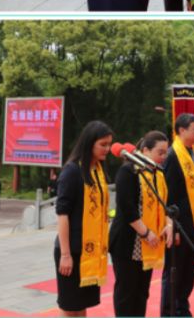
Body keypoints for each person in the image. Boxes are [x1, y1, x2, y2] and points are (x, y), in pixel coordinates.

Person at [110, 131, 174, 317]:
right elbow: (127, 207)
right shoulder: (128, 171)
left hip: (150, 243)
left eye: (165, 153)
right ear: (145, 150)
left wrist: (168, 225)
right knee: (127, 292)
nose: (163, 157)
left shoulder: (156, 173)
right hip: (129, 242)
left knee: (141, 292)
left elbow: (166, 204)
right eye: (159, 152)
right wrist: (146, 233)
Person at [54, 121, 113, 317]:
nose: (107, 149)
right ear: (89, 144)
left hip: (90, 251)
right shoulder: (72, 171)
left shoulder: (97, 170)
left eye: (109, 144)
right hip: (72, 251)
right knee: (70, 306)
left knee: (81, 305)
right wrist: (65, 254)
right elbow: (62, 214)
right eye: (102, 144)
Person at [161, 114, 194, 317]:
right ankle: (169, 311)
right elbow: (169, 196)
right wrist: (172, 226)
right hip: (180, 226)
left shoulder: (193, 153)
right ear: (181, 131)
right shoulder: (173, 156)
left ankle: (182, 307)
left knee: (189, 271)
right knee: (175, 272)